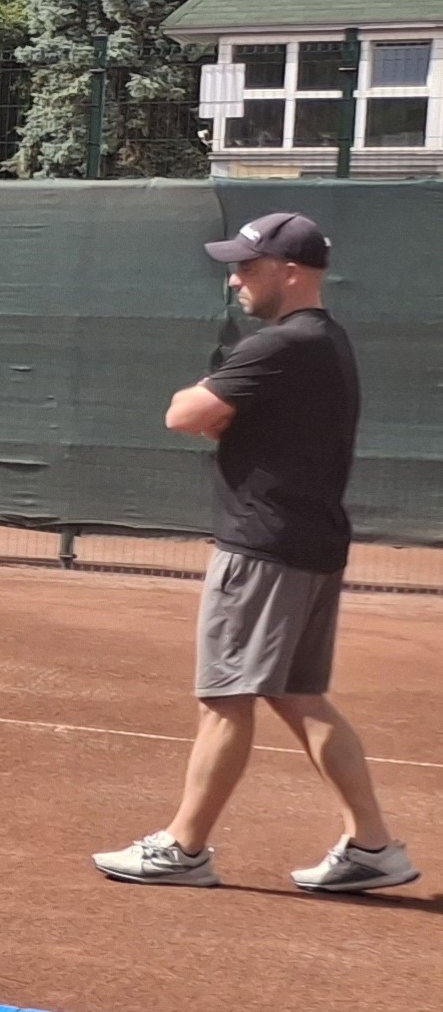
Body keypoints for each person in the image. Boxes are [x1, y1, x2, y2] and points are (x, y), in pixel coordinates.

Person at [96, 212, 414, 893]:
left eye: (247, 265)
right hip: (308, 541)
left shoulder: (280, 345)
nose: (235, 276)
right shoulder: (327, 341)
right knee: (298, 695)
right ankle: (374, 846)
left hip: (264, 548)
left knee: (225, 696)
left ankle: (184, 849)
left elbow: (183, 415)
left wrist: (212, 409)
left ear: (290, 271)